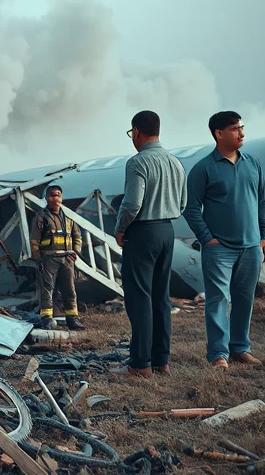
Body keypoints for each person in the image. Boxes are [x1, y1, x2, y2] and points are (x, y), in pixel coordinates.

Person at [183, 111, 265, 370]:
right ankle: (218, 355)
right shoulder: (203, 169)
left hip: (252, 247)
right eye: (235, 128)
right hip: (220, 250)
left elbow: (263, 202)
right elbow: (190, 208)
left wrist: (264, 236)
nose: (241, 133)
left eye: (242, 127)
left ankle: (240, 349)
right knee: (218, 300)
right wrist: (207, 239)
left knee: (244, 299)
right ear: (218, 134)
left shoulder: (253, 164)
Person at [112, 110, 187, 377]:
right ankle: (161, 361)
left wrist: (120, 228)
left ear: (137, 132)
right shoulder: (175, 162)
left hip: (142, 232)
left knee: (139, 298)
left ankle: (140, 364)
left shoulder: (137, 163)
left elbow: (132, 203)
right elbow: (181, 204)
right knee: (160, 297)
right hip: (167, 230)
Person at [29, 184, 84, 331]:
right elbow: (34, 240)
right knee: (47, 289)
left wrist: (76, 252)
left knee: (69, 289)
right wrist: (38, 260)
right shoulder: (41, 217)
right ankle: (47, 319)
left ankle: (72, 319)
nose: (56, 198)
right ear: (47, 198)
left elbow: (77, 236)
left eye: (58, 194)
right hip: (48, 259)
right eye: (52, 195)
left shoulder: (68, 218)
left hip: (67, 259)